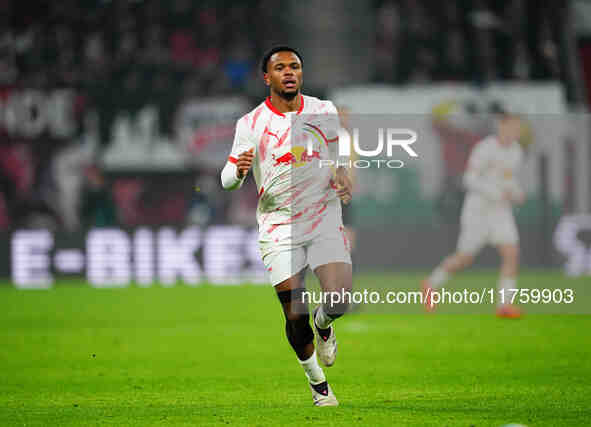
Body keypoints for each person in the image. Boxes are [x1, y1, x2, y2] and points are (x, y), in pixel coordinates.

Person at [220, 46, 353, 406]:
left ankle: (324, 325)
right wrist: (239, 170)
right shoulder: (250, 124)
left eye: (295, 66)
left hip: (323, 217)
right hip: (279, 226)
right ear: (268, 78)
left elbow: (340, 151)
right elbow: (226, 179)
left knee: (340, 299)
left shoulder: (323, 110)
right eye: (280, 68)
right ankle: (318, 384)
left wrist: (343, 174)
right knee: (295, 313)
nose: (289, 72)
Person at [422, 114, 525, 318]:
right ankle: (431, 284)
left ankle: (505, 305)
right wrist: (495, 193)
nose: (515, 133)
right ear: (501, 127)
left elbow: (508, 179)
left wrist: (516, 192)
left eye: (517, 129)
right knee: (464, 258)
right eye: (511, 128)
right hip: (478, 211)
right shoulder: (485, 148)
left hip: (500, 212)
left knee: (511, 252)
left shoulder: (516, 152)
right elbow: (469, 179)